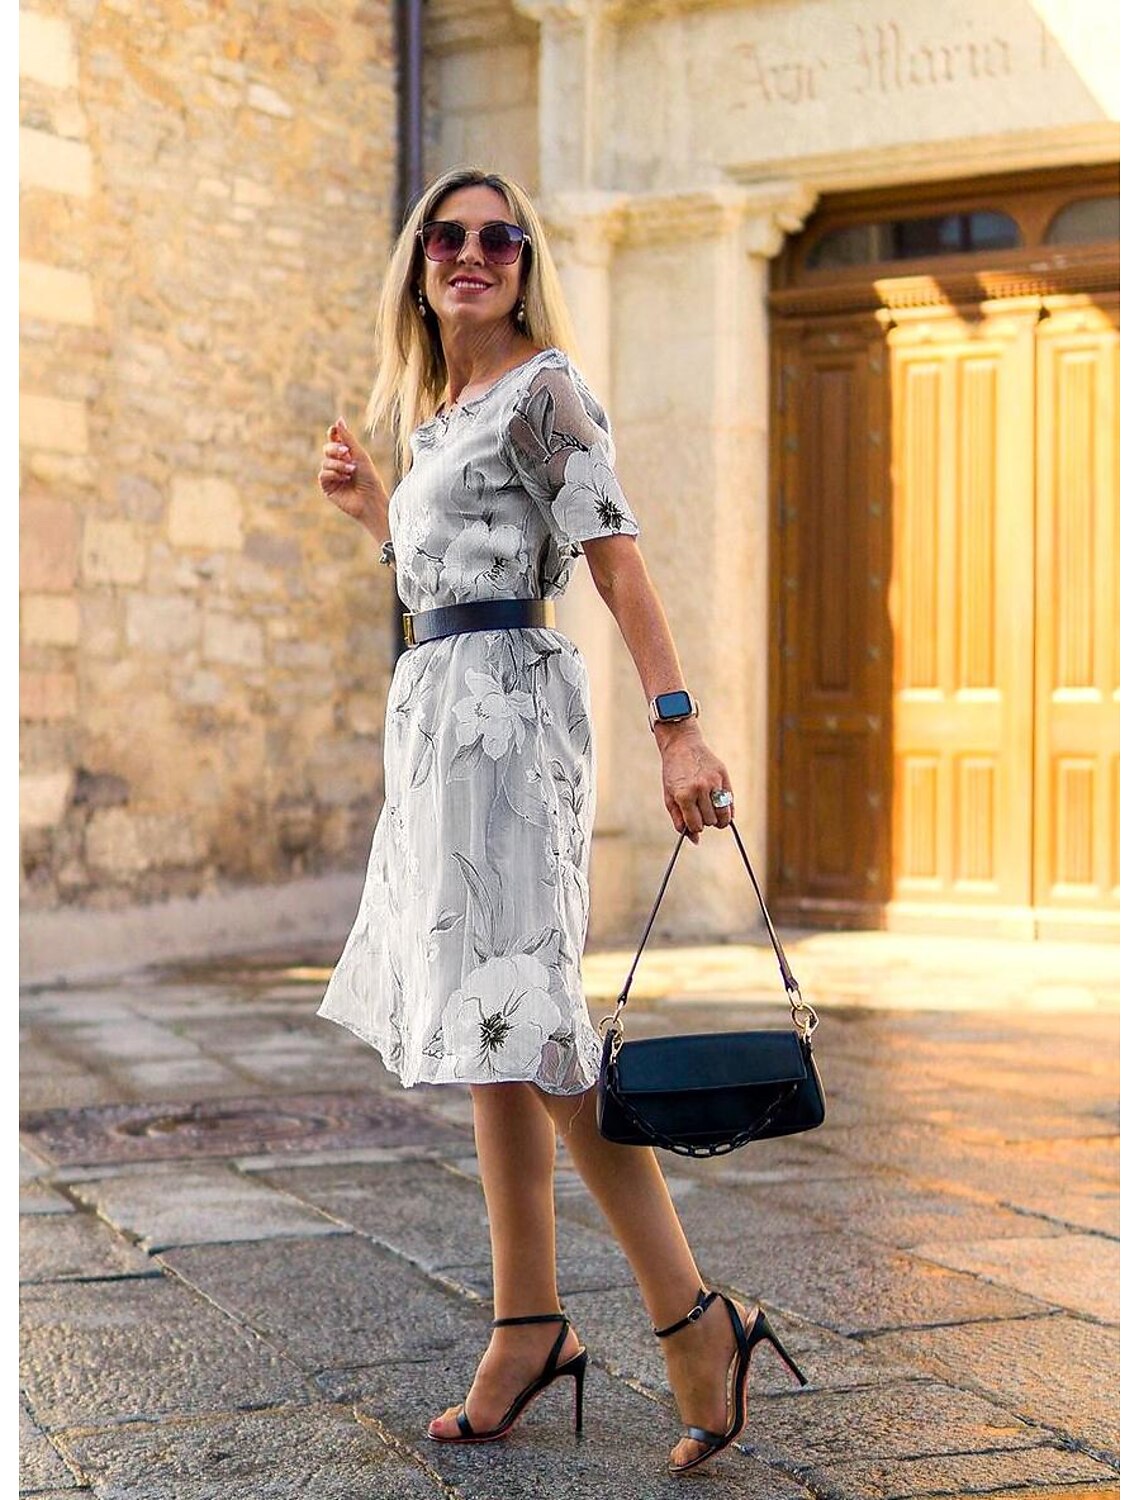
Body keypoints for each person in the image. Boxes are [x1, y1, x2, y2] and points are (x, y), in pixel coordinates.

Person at [315, 165, 803, 1476]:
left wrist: (678, 723)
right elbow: (444, 578)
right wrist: (378, 516)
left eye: (500, 238)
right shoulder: (439, 414)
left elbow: (615, 560)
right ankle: (527, 1323)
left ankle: (693, 1318)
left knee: (531, 1024)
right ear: (419, 265)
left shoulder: (547, 390)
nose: (471, 254)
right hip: (438, 718)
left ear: (527, 266)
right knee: (491, 1024)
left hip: (509, 727)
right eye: (447, 237)